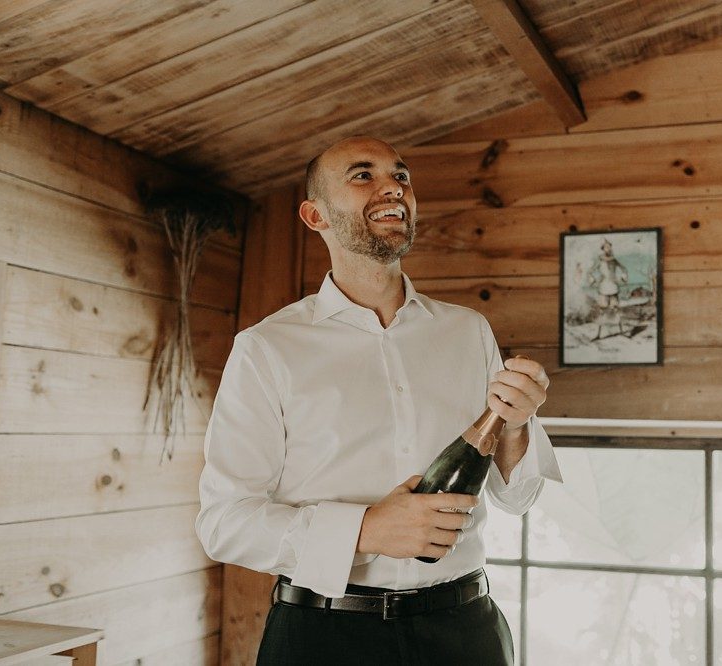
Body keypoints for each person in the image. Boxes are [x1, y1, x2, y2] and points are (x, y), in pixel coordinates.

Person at [196, 136, 562, 665]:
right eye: (363, 175)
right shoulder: (266, 348)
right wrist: (366, 530)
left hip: (466, 632)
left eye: (401, 176)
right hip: (322, 639)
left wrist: (520, 423)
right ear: (315, 215)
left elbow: (516, 497)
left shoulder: (468, 331)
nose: (393, 187)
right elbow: (224, 523)